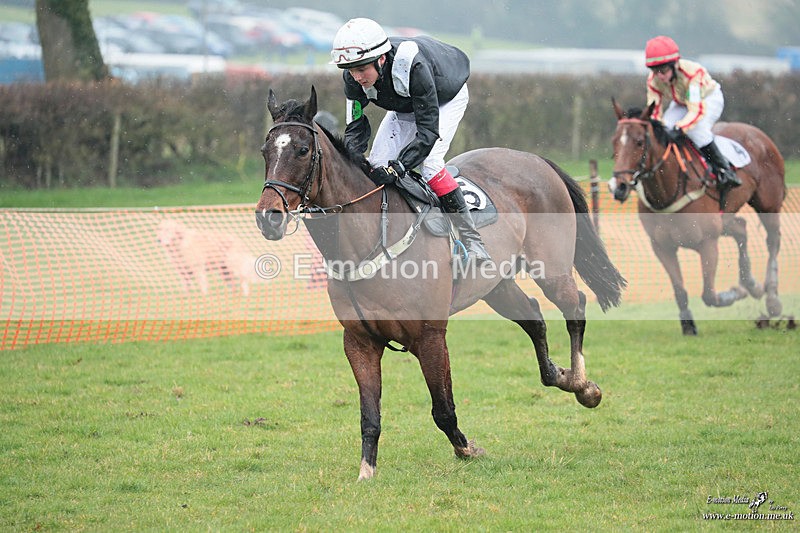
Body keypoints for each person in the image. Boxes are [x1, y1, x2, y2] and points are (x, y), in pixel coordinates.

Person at [330, 17, 491, 263]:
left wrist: (399, 167)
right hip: (405, 103)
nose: (357, 77)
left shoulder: (412, 66)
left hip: (444, 98)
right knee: (376, 164)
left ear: (381, 59)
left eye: (362, 69)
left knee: (430, 165)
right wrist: (353, 160)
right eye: (351, 70)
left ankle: (473, 241)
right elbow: (356, 126)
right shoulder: (352, 77)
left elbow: (427, 133)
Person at [645, 35, 741, 188]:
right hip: (681, 102)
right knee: (665, 129)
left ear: (675, 65)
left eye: (663, 70)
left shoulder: (692, 73)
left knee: (696, 130)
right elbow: (654, 112)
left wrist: (680, 128)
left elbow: (695, 111)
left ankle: (724, 170)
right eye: (655, 71)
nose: (659, 76)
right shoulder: (653, 80)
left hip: (707, 99)